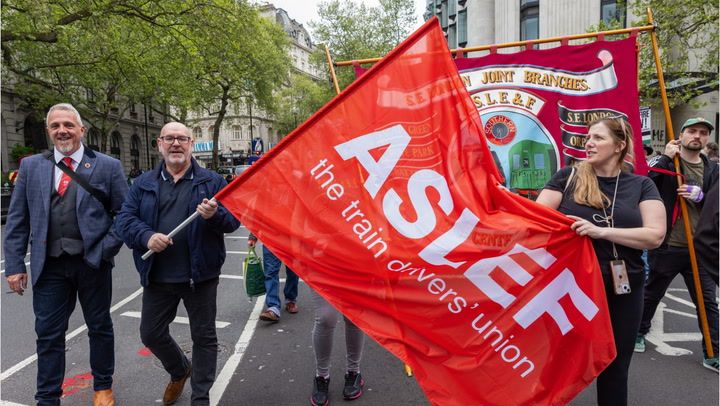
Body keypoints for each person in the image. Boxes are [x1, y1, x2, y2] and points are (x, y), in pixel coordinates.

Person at [3, 103, 128, 406]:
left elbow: (124, 215)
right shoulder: (32, 166)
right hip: (50, 265)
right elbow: (18, 219)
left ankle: (103, 387)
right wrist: (15, 265)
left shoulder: (107, 166)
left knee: (99, 327)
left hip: (92, 264)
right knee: (47, 334)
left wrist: (103, 251)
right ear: (48, 131)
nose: (63, 131)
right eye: (56, 125)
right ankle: (47, 398)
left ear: (81, 130)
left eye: (69, 125)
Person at [536, 117, 665, 406]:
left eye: (598, 138)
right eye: (588, 138)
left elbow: (655, 235)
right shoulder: (567, 177)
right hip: (569, 288)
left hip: (624, 287)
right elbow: (536, 222)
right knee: (554, 362)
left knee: (615, 367)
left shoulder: (641, 185)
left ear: (619, 146)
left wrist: (601, 232)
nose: (589, 144)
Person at [115, 122, 240, 405]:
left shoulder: (212, 182)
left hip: (200, 276)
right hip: (158, 275)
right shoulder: (143, 183)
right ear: (159, 144)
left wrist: (214, 216)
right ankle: (179, 369)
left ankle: (200, 397)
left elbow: (233, 221)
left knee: (204, 337)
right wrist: (146, 237)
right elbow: (124, 220)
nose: (175, 144)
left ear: (191, 144)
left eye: (181, 139)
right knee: (151, 333)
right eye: (169, 139)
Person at [636, 117, 719, 372]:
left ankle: (713, 352)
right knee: (652, 293)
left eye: (703, 133)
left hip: (700, 249)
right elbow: (645, 186)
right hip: (669, 244)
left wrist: (704, 196)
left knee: (707, 302)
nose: (697, 136)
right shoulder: (668, 163)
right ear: (680, 136)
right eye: (692, 131)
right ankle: (639, 332)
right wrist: (663, 160)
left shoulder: (714, 171)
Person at [308, 290, 366, 406]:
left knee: (353, 316)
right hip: (322, 272)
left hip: (356, 273)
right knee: (326, 318)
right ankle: (322, 376)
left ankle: (354, 372)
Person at [247, 235, 300, 322]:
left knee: (293, 271)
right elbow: (262, 220)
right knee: (270, 272)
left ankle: (291, 299)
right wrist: (253, 236)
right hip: (271, 236)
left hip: (292, 236)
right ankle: (273, 307)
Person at [694, 181, 718, 285]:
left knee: (707, 299)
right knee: (651, 296)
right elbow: (706, 238)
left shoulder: (712, 169)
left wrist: (703, 197)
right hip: (672, 245)